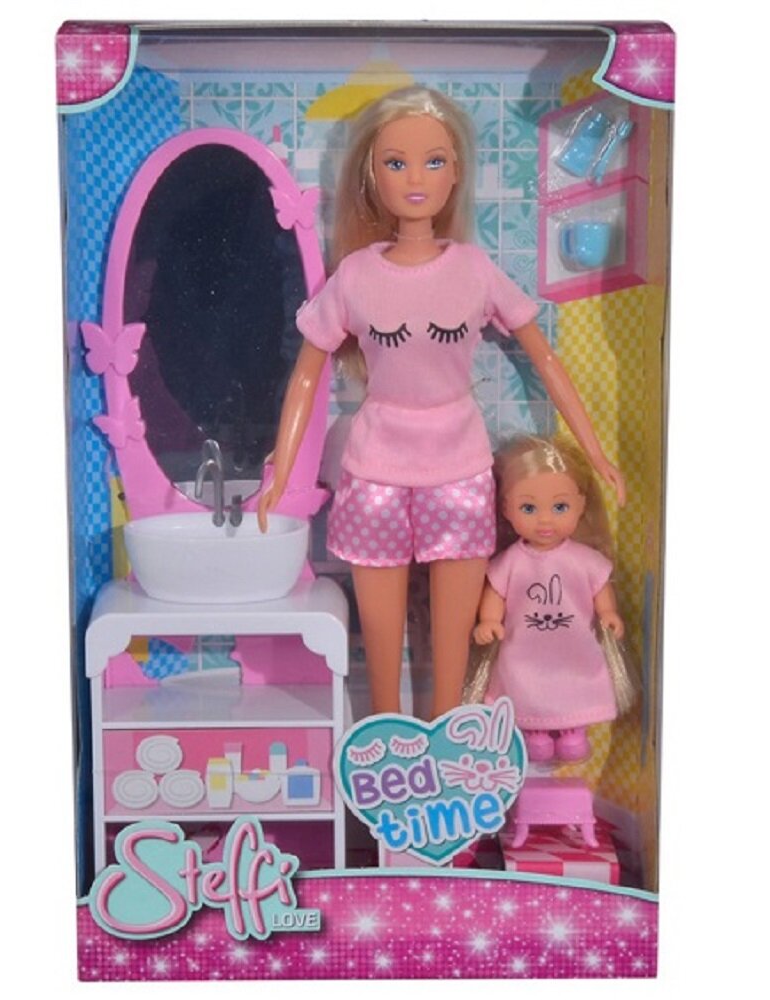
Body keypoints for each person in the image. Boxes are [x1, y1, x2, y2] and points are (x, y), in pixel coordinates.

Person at [259, 87, 624, 718]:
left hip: (459, 470)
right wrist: (281, 474)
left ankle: (449, 746)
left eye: (434, 161)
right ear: (371, 177)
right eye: (395, 162)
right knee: (381, 645)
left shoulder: (474, 269)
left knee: (454, 648)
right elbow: (306, 377)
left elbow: (546, 360)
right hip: (375, 471)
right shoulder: (357, 275)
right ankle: (385, 748)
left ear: (456, 172)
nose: (415, 178)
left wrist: (595, 453)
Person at [472, 435, 633, 762]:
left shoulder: (583, 559)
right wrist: (488, 621)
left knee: (575, 683)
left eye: (560, 507)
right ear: (506, 509)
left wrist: (609, 613)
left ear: (581, 505)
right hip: (524, 652)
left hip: (573, 650)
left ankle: (574, 730)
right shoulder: (511, 561)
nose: (545, 520)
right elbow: (495, 594)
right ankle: (535, 734)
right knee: (523, 683)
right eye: (528, 508)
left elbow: (600, 589)